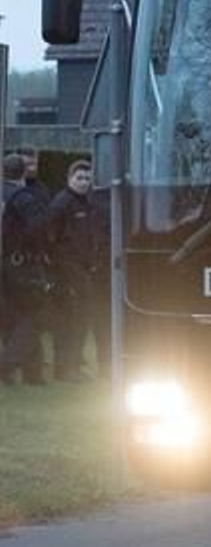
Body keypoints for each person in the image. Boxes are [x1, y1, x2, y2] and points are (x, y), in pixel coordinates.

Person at [49, 161, 108, 382]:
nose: (84, 182)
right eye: (79, 178)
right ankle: (65, 369)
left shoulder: (87, 203)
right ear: (69, 179)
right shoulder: (62, 204)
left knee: (80, 319)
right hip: (68, 270)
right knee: (71, 320)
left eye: (87, 178)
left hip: (83, 269)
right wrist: (60, 268)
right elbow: (50, 238)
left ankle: (72, 366)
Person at [1, 153, 55, 385]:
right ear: (24, 172)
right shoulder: (23, 197)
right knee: (37, 314)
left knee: (12, 316)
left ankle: (31, 373)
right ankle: (7, 364)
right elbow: (38, 226)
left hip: (5, 262)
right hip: (21, 263)